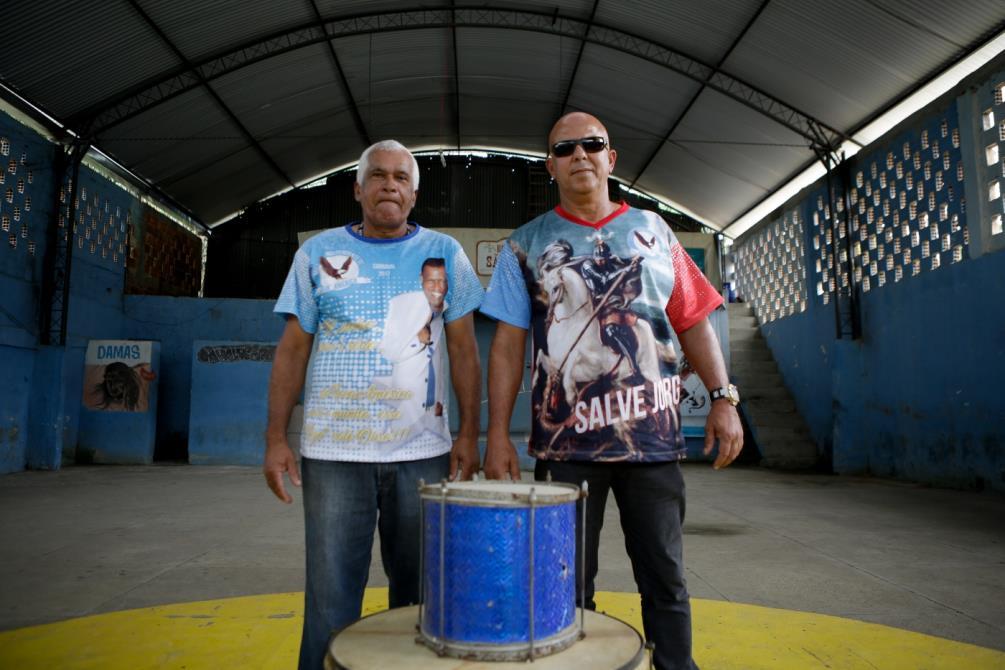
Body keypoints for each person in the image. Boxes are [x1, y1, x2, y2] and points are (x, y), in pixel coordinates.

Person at [480, 112, 743, 670]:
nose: (581, 155)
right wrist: (497, 434)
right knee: (566, 590)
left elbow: (694, 319)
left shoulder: (656, 232)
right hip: (566, 451)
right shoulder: (526, 245)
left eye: (592, 145)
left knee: (666, 581)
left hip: (652, 444)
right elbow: (506, 345)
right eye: (566, 148)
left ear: (610, 158)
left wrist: (724, 397)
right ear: (551, 165)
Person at [263, 139, 483, 669]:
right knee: (330, 602)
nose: (390, 185)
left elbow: (463, 350)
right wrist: (275, 439)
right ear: (358, 189)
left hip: (422, 454)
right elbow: (293, 350)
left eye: (401, 178)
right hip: (335, 454)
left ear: (414, 193)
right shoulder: (315, 254)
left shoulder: (445, 254)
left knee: (419, 602)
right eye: (378, 176)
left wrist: (470, 434)